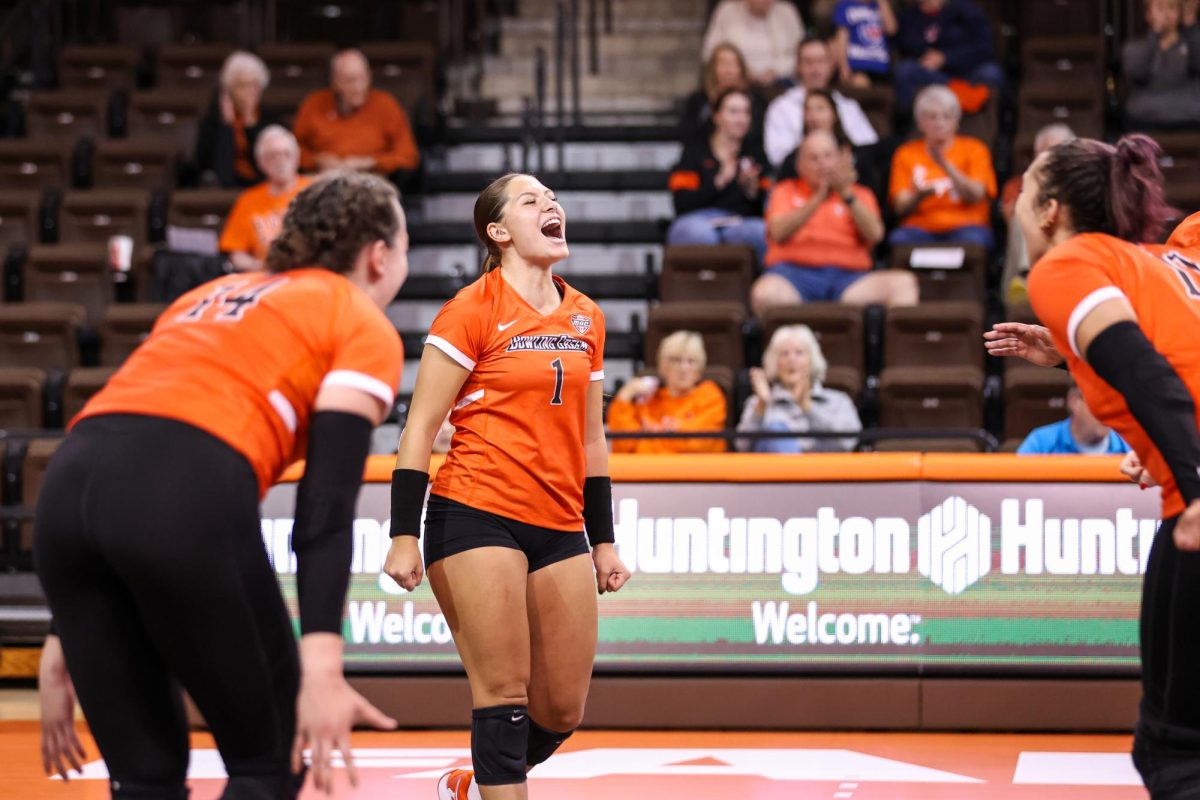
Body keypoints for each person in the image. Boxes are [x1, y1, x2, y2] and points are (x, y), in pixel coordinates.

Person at [35, 172, 408, 797]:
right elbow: (325, 506)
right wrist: (321, 664)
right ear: (378, 256)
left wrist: (63, 627)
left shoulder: (207, 294)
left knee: (144, 777)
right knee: (272, 759)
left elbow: (130, 434)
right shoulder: (359, 320)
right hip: (179, 493)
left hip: (67, 493)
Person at [382, 173, 631, 800]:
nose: (551, 205)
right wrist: (402, 536)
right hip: (474, 512)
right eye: (531, 200)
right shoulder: (472, 308)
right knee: (504, 694)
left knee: (562, 710)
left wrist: (603, 541)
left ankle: (472, 782)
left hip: (559, 522)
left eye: (553, 198)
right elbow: (418, 429)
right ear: (499, 232)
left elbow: (592, 440)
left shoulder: (586, 315)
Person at [984, 133, 1200, 798]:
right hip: (1177, 497)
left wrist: (1195, 487)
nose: (1013, 198)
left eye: (1024, 182)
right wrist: (1074, 352)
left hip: (1190, 507)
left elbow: (1147, 372)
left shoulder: (1064, 265)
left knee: (1174, 748)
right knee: (1170, 741)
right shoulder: (1159, 259)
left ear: (1049, 210)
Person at [751, 130, 916, 316]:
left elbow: (875, 234)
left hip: (849, 278)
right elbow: (778, 232)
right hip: (794, 275)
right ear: (799, 166)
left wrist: (846, 195)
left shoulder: (860, 194)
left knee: (903, 284)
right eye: (813, 158)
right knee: (765, 293)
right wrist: (817, 198)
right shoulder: (784, 191)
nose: (822, 164)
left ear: (840, 159)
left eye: (828, 156)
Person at [667, 88, 770, 263]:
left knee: (761, 232)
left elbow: (764, 210)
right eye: (733, 112)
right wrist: (719, 181)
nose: (741, 119)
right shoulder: (695, 151)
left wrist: (752, 191)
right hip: (697, 220)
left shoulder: (755, 154)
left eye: (746, 112)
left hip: (738, 223)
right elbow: (681, 203)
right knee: (701, 234)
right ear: (716, 116)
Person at [888, 84, 996, 249]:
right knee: (899, 239)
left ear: (957, 122)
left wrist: (945, 165)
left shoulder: (976, 149)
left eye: (947, 117)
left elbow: (976, 194)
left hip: (966, 225)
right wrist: (918, 196)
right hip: (920, 227)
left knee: (975, 240)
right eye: (932, 117)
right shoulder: (905, 153)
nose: (940, 123)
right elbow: (900, 206)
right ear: (920, 123)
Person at [292, 49, 420, 182]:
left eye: (363, 79)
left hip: (372, 181)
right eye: (350, 81)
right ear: (335, 81)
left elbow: (408, 157)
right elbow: (291, 151)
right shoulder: (313, 104)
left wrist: (370, 163)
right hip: (322, 180)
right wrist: (317, 160)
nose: (358, 87)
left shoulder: (386, 105)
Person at [737, 324, 861, 452]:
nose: (791, 359)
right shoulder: (758, 403)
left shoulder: (837, 401)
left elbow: (846, 443)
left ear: (812, 360)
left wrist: (808, 407)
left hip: (822, 470)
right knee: (776, 431)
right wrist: (762, 406)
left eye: (799, 353)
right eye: (784, 354)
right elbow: (742, 446)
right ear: (774, 361)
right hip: (774, 471)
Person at [764, 37, 879, 168]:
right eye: (808, 62)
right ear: (798, 67)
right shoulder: (781, 108)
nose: (815, 69)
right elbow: (777, 157)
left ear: (831, 65)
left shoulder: (847, 105)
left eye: (821, 61)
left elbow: (869, 147)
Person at [607, 330, 727, 453]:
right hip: (648, 470)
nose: (684, 368)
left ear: (699, 370)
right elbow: (623, 445)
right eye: (676, 360)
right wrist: (624, 397)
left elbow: (697, 445)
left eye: (691, 361)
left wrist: (647, 444)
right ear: (663, 366)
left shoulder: (710, 396)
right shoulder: (649, 399)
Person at [219, 125, 313, 272]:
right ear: (261, 162)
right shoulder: (248, 200)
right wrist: (263, 268)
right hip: (264, 277)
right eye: (273, 156)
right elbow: (237, 255)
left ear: (297, 158)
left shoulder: (314, 193)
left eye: (286, 154)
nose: (280, 161)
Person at [999, 123, 1075, 304]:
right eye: (1046, 152)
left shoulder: (1078, 184)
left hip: (1067, 239)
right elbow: (1011, 225)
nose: (1051, 159)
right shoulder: (1017, 185)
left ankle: (1031, 281)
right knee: (1021, 217)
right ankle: (1027, 278)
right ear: (1035, 156)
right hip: (1033, 243)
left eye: (1058, 152)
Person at [894, 0, 1004, 111]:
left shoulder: (966, 10)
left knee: (992, 73)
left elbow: (984, 48)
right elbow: (904, 45)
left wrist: (946, 57)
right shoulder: (909, 16)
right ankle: (908, 122)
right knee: (905, 70)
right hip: (936, 77)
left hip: (969, 75)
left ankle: (971, 105)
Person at [195, 50, 281, 188]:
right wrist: (226, 126)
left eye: (255, 85)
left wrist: (250, 125)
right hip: (224, 191)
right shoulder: (213, 121)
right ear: (229, 90)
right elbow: (207, 165)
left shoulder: (271, 121)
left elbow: (265, 169)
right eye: (243, 85)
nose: (251, 92)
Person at [1123, 0, 1200, 130]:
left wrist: (1190, 26)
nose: (1166, 14)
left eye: (1172, 7)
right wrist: (1155, 35)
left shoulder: (1192, 43)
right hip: (1146, 118)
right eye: (1160, 7)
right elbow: (1137, 73)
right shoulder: (1135, 47)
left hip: (1190, 116)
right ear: (1148, 14)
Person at [701, 0, 806, 88]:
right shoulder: (727, 11)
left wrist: (776, 70)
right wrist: (742, 70)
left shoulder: (787, 11)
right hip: (736, 83)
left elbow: (802, 54)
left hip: (781, 83)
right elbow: (709, 53)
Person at [679, 43, 766, 146]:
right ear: (712, 69)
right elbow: (688, 135)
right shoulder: (698, 101)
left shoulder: (755, 100)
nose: (728, 71)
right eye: (723, 64)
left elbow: (759, 135)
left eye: (734, 64)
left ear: (741, 69)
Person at [1017, 386, 1132, 455]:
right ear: (1075, 402)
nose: (1108, 411)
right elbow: (1018, 489)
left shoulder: (1131, 449)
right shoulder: (1041, 444)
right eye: (1100, 402)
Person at [832, 0, 898, 86]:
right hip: (857, 63)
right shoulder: (845, 5)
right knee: (861, 84)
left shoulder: (880, 6)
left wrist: (883, 3)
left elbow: (891, 29)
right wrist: (843, 66)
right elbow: (841, 40)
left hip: (881, 64)